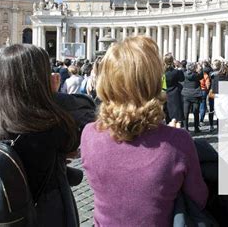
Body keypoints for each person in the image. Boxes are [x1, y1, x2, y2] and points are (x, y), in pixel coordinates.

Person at [81, 36, 208, 226]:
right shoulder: (179, 141)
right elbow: (199, 198)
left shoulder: (89, 134)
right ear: (154, 81)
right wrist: (172, 137)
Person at [0, 44, 80, 226]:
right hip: (45, 207)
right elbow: (71, 147)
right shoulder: (51, 119)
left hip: (0, 208)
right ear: (39, 77)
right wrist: (54, 97)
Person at [209, 60, 228, 131]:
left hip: (218, 96)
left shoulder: (216, 77)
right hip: (227, 97)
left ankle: (219, 128)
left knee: (219, 113)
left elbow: (214, 88)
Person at [182, 62, 204, 132]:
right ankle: (196, 128)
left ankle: (186, 128)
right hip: (195, 94)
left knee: (186, 112)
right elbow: (201, 75)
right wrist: (200, 68)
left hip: (186, 94)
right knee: (196, 112)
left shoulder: (184, 74)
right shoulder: (196, 75)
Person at [164, 54, 185, 124]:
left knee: (167, 113)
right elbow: (182, 79)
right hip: (175, 94)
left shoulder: (162, 72)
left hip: (165, 93)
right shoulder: (176, 72)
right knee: (175, 114)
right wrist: (179, 68)